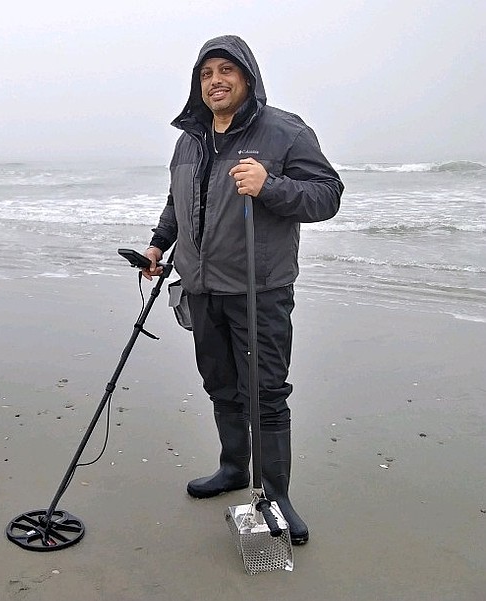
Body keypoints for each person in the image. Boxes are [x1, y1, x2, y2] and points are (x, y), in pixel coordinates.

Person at [142, 35, 343, 546]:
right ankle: (234, 467)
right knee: (220, 385)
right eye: (206, 72)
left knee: (267, 394)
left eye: (226, 70)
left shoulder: (284, 131)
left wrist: (269, 185)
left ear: (248, 77)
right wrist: (158, 245)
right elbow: (180, 200)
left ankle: (276, 497)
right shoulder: (190, 138)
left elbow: (327, 195)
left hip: (260, 289)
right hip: (202, 287)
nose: (216, 80)